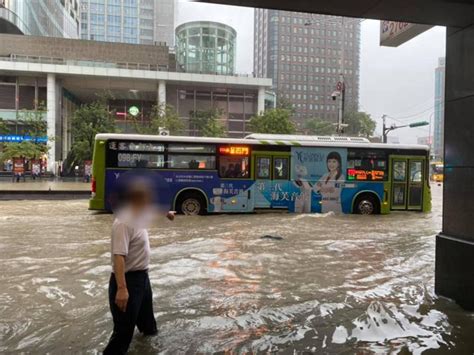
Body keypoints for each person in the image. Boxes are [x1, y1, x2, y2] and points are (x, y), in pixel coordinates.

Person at [104, 183, 175, 354]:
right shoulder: (123, 222)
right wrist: (122, 289)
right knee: (122, 334)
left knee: (149, 327)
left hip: (142, 279)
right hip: (127, 281)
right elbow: (119, 256)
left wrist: (167, 213)